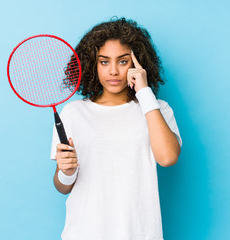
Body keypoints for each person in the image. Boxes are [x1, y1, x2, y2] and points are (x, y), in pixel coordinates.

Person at [50, 17, 182, 240]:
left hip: (140, 233)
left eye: (122, 61)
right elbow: (63, 187)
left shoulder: (156, 109)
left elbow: (168, 158)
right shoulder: (73, 113)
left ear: (137, 63)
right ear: (92, 64)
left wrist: (144, 92)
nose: (113, 71)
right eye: (104, 62)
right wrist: (66, 172)